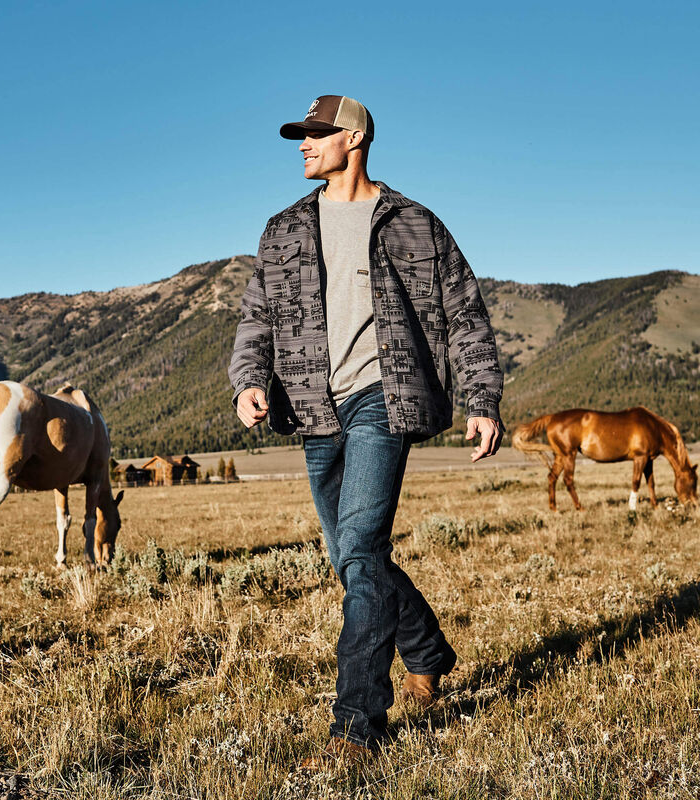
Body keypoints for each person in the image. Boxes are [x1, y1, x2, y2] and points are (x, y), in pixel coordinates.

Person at [228, 94, 504, 767]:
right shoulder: (283, 229)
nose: (303, 144)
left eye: (315, 133)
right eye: (301, 136)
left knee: (357, 547)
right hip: (312, 406)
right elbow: (257, 315)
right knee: (352, 557)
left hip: (386, 395)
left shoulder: (415, 223)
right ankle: (427, 652)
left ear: (352, 139)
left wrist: (482, 398)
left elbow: (465, 313)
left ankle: (357, 726)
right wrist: (250, 380)